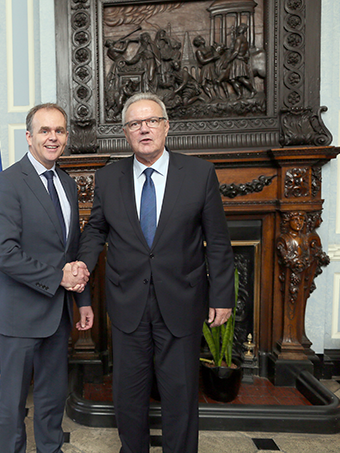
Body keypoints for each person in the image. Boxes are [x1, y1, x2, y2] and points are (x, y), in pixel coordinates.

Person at [77, 93, 234, 453]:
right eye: (135, 123)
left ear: (166, 126)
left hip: (182, 301)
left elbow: (219, 241)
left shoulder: (199, 173)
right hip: (127, 302)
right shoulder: (108, 177)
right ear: (125, 133)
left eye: (151, 121)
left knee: (180, 394)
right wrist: (83, 266)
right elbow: (96, 231)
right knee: (128, 396)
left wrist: (222, 297)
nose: (144, 129)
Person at [0, 103, 94, 453]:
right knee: (14, 405)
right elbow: (4, 254)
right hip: (19, 315)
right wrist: (59, 278)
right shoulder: (6, 182)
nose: (53, 137)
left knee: (52, 399)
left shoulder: (65, 182)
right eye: (45, 131)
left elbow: (71, 251)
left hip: (58, 314)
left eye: (59, 131)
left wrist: (82, 300)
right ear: (29, 136)